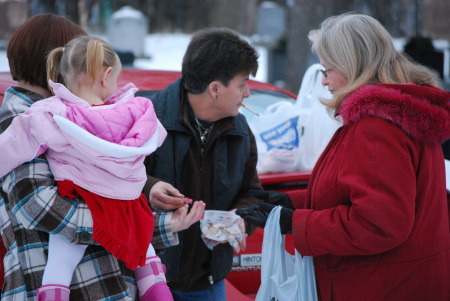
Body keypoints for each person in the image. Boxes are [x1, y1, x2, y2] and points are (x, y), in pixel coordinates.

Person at [237, 12, 450, 301]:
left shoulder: (378, 126)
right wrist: (292, 203)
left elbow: (378, 225)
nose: (324, 81)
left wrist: (295, 222)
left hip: (380, 286)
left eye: (327, 70)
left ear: (352, 66)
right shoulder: (398, 116)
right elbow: (361, 194)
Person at [0, 14, 204, 301]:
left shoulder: (71, 113)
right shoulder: (26, 120)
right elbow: (45, 209)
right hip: (67, 287)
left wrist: (147, 189)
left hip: (97, 284)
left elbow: (96, 184)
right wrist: (152, 224)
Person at [141, 27, 263, 301]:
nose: (247, 94)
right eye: (242, 84)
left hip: (207, 284)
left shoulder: (240, 130)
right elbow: (111, 180)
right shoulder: (145, 117)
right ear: (216, 89)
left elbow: (252, 192)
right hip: (145, 279)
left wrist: (241, 219)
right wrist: (150, 187)